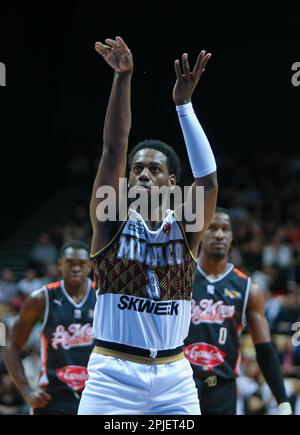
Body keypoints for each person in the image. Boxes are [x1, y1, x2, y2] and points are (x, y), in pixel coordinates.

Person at [78, 36, 218, 415]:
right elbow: (114, 148)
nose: (141, 174)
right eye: (137, 168)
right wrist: (122, 77)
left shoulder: (186, 227)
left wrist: (184, 106)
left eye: (153, 169)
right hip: (112, 377)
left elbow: (207, 181)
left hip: (174, 377)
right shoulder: (111, 220)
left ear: (172, 184)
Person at [184, 208, 292, 415]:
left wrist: (282, 400)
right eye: (212, 228)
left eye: (225, 229)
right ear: (199, 231)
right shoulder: (181, 279)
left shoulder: (247, 288)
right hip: (182, 384)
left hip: (223, 389)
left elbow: (265, 348)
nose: (219, 235)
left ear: (232, 236)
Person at [4, 241, 96, 415]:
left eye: (81, 264)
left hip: (95, 393)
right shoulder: (40, 299)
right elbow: (12, 346)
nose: (75, 268)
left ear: (90, 266)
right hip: (52, 396)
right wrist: (26, 391)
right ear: (60, 264)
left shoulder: (103, 297)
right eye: (70, 263)